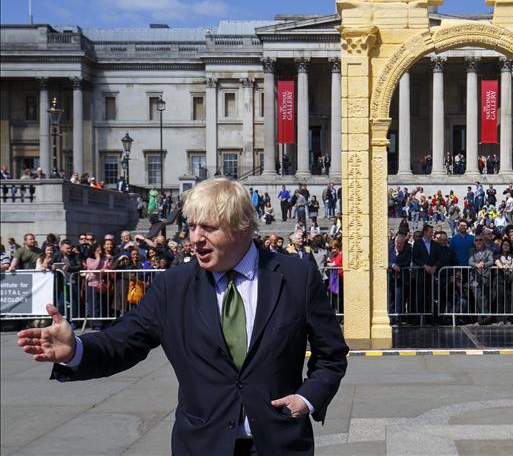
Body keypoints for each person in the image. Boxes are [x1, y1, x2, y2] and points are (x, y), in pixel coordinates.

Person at [17, 177, 348, 455]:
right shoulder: (172, 287)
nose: (195, 239)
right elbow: (123, 342)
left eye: (209, 228)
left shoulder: (296, 277)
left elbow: (331, 355)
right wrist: (76, 350)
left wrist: (308, 398)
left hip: (280, 443)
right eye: (191, 227)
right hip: (202, 444)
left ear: (243, 227)